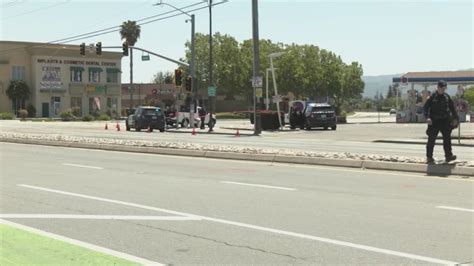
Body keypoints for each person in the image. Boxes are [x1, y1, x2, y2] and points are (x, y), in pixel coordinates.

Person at [423, 80, 459, 164]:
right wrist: (427, 118)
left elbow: (452, 108)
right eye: (442, 88)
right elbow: (425, 108)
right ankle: (429, 157)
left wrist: (456, 118)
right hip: (434, 121)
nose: (443, 90)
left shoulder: (447, 96)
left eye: (444, 88)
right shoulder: (432, 97)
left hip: (445, 121)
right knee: (431, 139)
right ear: (438, 87)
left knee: (447, 138)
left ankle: (448, 156)